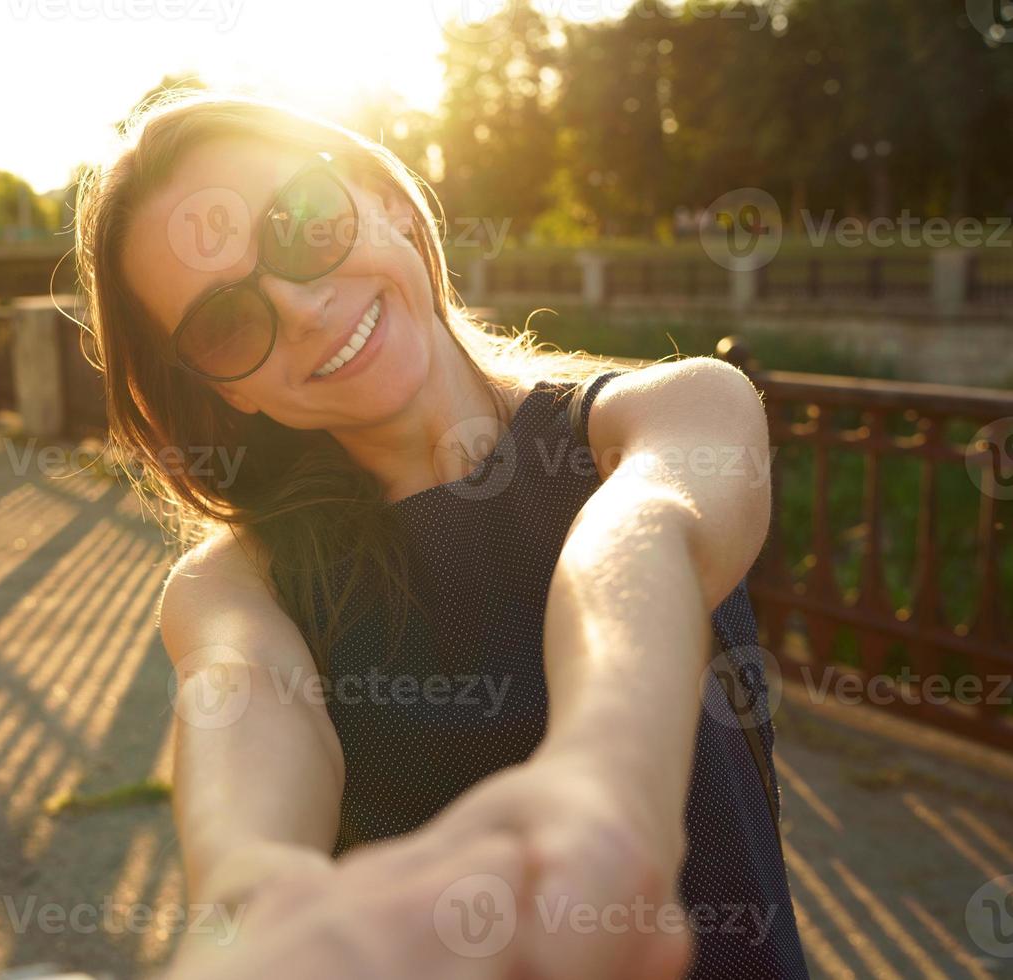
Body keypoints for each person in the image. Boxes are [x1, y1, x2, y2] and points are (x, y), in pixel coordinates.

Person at [71, 90, 810, 978]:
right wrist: (255, 909)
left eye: (304, 224)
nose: (302, 307)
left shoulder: (679, 410)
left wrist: (601, 783)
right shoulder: (235, 586)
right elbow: (247, 721)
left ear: (385, 203)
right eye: (226, 323)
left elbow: (643, 539)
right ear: (229, 390)